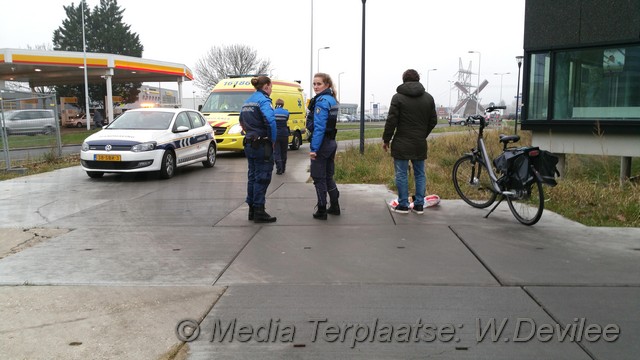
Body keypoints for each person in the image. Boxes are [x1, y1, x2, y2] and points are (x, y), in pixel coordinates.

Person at [382, 69, 438, 214]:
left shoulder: (398, 98)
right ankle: (419, 205)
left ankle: (403, 205)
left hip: (401, 142)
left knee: (401, 174)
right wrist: (422, 134)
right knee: (420, 173)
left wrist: (386, 139)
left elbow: (391, 121)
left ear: (404, 80)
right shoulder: (429, 98)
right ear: (418, 79)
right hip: (419, 143)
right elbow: (433, 120)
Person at [239, 76, 278, 223]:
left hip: (249, 143)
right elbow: (271, 121)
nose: (271, 89)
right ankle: (259, 211)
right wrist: (272, 140)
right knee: (262, 177)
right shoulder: (264, 100)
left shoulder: (248, 101)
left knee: (252, 176)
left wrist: (249, 132)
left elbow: (241, 121)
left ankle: (252, 210)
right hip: (262, 144)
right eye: (271, 86)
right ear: (266, 86)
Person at [307, 73, 340, 220]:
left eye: (318, 84)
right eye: (314, 84)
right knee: (328, 176)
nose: (315, 87)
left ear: (327, 85)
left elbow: (319, 128)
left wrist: (314, 149)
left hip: (323, 143)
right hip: (331, 142)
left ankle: (321, 209)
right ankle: (334, 205)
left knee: (318, 177)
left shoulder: (320, 101)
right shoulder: (332, 99)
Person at [273, 98, 290, 175]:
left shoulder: (273, 112)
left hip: (276, 134)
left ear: (276, 104)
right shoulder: (286, 112)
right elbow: (286, 120)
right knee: (284, 151)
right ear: (283, 105)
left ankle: (279, 169)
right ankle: (283, 168)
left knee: (277, 152)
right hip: (284, 134)